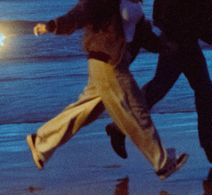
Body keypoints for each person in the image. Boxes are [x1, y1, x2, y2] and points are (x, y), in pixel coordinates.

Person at [26, 0, 188, 180]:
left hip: (110, 63)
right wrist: (53, 26)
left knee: (85, 110)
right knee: (135, 110)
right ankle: (162, 163)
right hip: (109, 64)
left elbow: (143, 34)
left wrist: (164, 47)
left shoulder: (135, 3)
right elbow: (81, 12)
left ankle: (40, 143)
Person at [106, 0, 212, 163]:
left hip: (186, 40)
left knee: (199, 87)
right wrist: (172, 37)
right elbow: (161, 13)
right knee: (162, 87)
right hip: (179, 41)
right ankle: (118, 127)